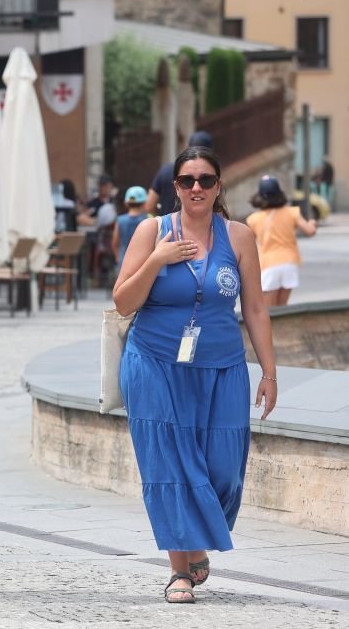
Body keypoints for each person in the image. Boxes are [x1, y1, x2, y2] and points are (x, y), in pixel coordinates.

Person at [113, 146, 278, 604]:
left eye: (206, 180)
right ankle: (178, 570)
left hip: (222, 367)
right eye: (188, 181)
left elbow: (257, 309)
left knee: (223, 472)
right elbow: (123, 301)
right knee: (168, 465)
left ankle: (198, 543)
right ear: (176, 188)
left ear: (219, 186)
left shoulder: (239, 236)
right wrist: (156, 260)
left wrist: (269, 371)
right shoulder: (152, 230)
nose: (197, 188)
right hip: (154, 365)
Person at [245, 175, 318, 307]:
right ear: (280, 194)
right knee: (282, 308)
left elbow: (248, 245)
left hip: (268, 265)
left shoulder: (253, 219)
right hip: (289, 263)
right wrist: (312, 223)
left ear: (260, 196)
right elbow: (310, 231)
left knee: (268, 311)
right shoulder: (292, 212)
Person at [147, 130, 214, 216]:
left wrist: (162, 221)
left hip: (168, 227)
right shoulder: (211, 174)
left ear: (188, 147)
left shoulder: (166, 171)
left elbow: (149, 205)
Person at [113, 186, 150, 270]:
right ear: (144, 203)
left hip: (124, 262)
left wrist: (117, 257)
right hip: (143, 264)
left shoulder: (120, 220)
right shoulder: (148, 220)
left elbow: (115, 242)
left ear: (126, 203)